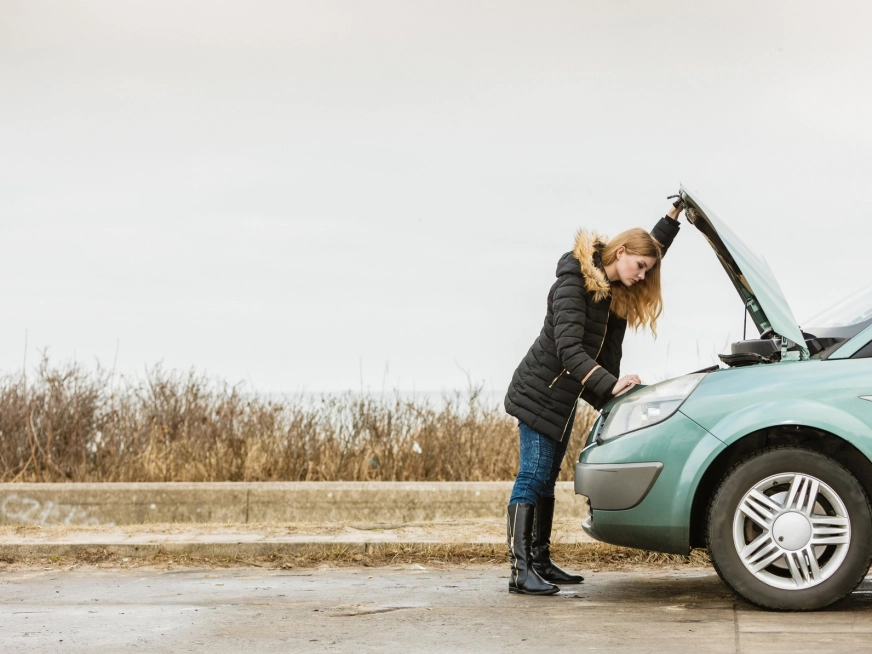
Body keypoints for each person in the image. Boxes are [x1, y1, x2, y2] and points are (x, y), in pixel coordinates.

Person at [503, 198, 684, 595]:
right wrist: (609, 384)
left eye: (648, 270)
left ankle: (540, 560)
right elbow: (569, 350)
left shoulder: (615, 281)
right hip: (540, 393)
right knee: (532, 476)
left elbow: (649, 248)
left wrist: (671, 220)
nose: (642, 276)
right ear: (620, 253)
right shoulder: (573, 285)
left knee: (547, 480)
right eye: (640, 267)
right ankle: (520, 571)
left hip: (563, 397)